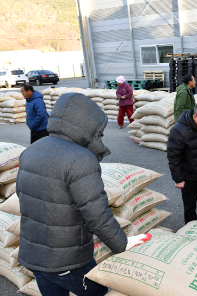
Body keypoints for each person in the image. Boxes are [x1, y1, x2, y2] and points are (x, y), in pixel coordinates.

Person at [16, 92, 148, 296]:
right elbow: (97, 216)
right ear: (86, 125)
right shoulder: (81, 159)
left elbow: (23, 196)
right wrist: (122, 244)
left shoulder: (31, 150)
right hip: (68, 261)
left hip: (34, 257)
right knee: (97, 293)